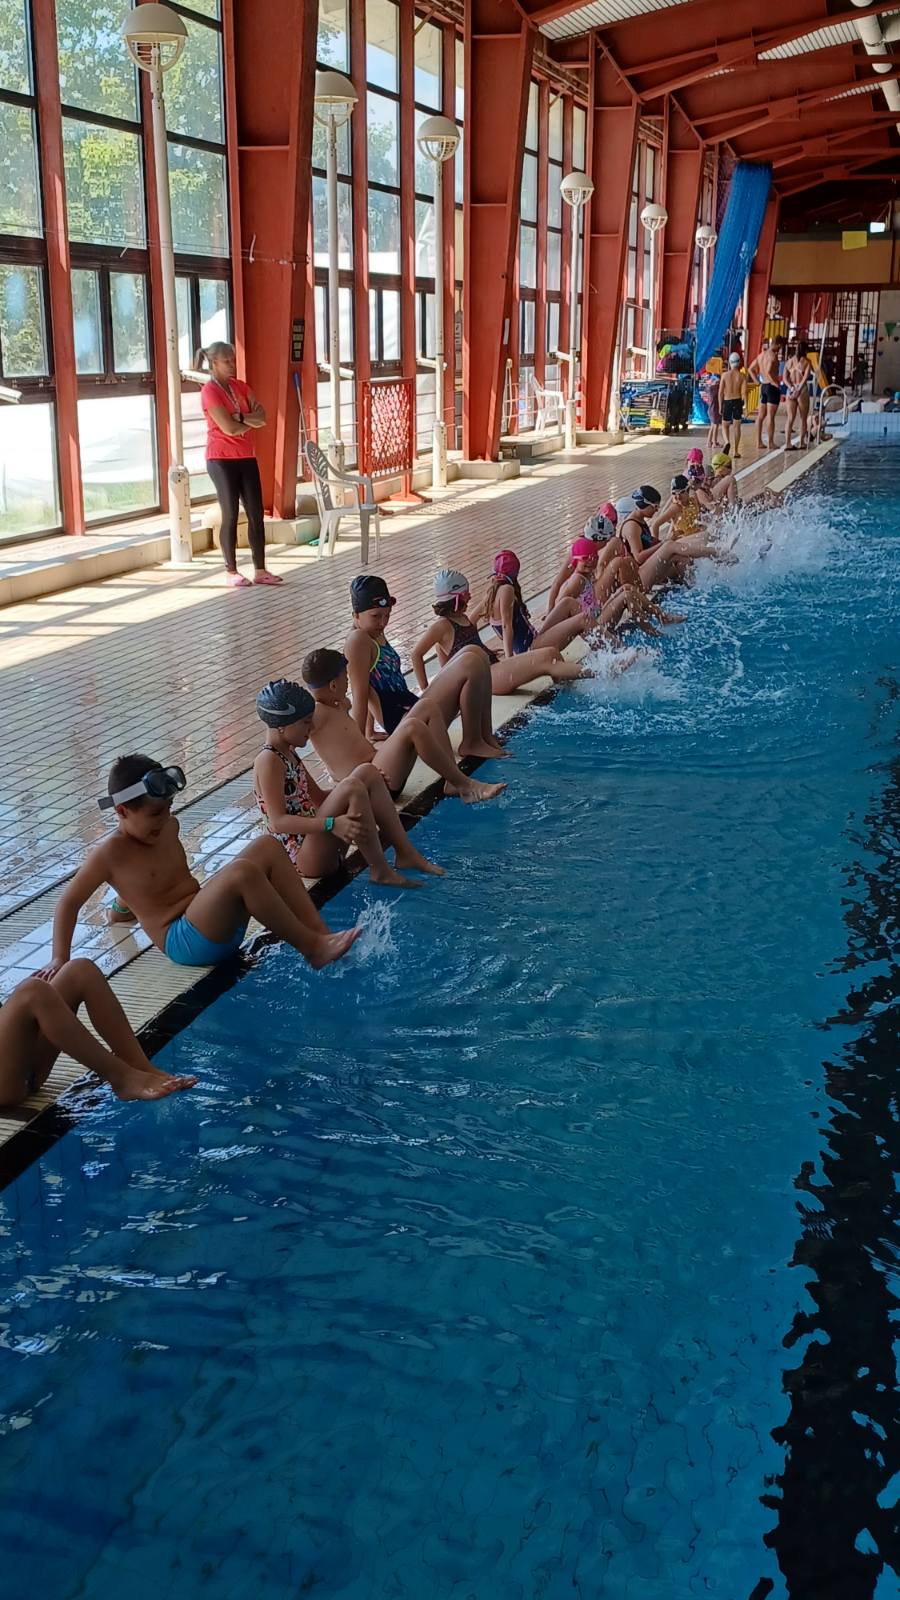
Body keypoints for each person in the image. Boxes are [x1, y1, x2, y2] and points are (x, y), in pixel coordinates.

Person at [39, 756, 360, 976]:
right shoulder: (110, 854)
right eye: (155, 814)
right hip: (184, 942)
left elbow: (148, 878)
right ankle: (312, 948)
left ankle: (320, 934)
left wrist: (122, 909)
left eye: (168, 808)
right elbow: (68, 902)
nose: (165, 818)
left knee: (267, 845)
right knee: (242, 873)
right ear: (122, 812)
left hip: (210, 923)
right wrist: (59, 958)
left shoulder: (168, 827)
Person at [253, 680, 441, 885]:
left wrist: (366, 784)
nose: (311, 727)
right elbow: (278, 822)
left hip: (317, 842)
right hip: (301, 858)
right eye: (305, 723)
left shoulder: (288, 753)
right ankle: (380, 871)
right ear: (282, 726)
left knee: (366, 772)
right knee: (352, 786)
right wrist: (331, 824)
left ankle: (405, 853)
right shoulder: (269, 761)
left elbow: (318, 798)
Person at [303, 649, 506, 804]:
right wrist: (324, 793)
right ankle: (465, 786)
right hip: (371, 785)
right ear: (333, 685)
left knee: (427, 706)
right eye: (345, 678)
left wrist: (370, 732)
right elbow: (288, 740)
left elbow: (364, 703)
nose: (348, 682)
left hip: (380, 766)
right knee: (412, 727)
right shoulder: (316, 713)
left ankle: (453, 780)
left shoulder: (340, 704)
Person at [344, 575, 505, 771]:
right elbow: (360, 696)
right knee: (470, 661)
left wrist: (371, 732)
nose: (383, 622)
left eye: (387, 615)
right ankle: (472, 742)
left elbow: (371, 683)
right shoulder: (357, 640)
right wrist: (359, 753)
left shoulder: (373, 632)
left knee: (475, 653)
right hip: (406, 722)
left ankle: (484, 736)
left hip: (413, 710)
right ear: (356, 614)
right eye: (376, 616)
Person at [0, 961, 197, 1106]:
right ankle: (123, 1077)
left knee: (80, 971)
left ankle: (139, 1065)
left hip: (19, 1068)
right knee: (32, 992)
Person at [411, 569, 598, 691]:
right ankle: (599, 672)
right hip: (489, 678)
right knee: (545, 660)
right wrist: (427, 691)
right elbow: (416, 655)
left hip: (492, 669)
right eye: (466, 593)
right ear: (457, 597)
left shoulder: (462, 618)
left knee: (550, 652)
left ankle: (567, 687)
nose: (470, 596)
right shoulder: (442, 626)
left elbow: (448, 664)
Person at [198, 340, 282, 590]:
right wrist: (244, 422)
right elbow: (229, 428)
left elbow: (263, 417)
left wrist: (242, 417)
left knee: (256, 513)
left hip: (246, 456)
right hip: (221, 459)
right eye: (227, 361)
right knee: (231, 513)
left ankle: (260, 569)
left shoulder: (240, 387)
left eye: (233, 359)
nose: (232, 364)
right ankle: (231, 570)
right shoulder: (209, 391)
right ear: (214, 363)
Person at [469, 551, 591, 659]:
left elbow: (470, 622)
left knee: (567, 603)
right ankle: (601, 649)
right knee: (582, 620)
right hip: (531, 649)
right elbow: (506, 626)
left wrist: (482, 648)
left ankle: (597, 646)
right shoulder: (506, 589)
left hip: (533, 641)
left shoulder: (490, 594)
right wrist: (509, 660)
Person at [749, 337, 783, 451]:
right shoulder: (772, 356)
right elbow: (768, 371)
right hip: (772, 388)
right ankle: (770, 442)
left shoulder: (761, 355)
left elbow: (750, 369)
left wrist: (758, 383)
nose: (780, 349)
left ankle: (758, 442)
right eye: (780, 347)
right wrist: (775, 383)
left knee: (760, 416)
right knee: (770, 417)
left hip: (763, 386)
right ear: (778, 344)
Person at [650, 474, 703, 540]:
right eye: (674, 493)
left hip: (696, 536)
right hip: (683, 541)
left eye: (681, 492)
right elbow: (655, 525)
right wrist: (656, 543)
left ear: (688, 490)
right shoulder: (676, 508)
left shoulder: (693, 499)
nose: (678, 497)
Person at [718, 353, 747, 458]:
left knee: (725, 425)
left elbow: (720, 393)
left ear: (730, 363)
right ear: (739, 363)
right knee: (737, 427)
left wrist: (720, 406)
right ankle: (736, 451)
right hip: (737, 401)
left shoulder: (724, 375)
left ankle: (727, 442)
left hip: (727, 401)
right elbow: (744, 394)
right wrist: (745, 407)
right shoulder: (742, 376)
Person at [784, 341, 812, 449]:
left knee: (790, 418)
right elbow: (805, 378)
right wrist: (798, 389)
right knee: (803, 418)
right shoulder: (807, 362)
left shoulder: (789, 362)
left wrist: (791, 388)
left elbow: (785, 379)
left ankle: (788, 444)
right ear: (805, 350)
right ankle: (801, 443)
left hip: (790, 390)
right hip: (801, 390)